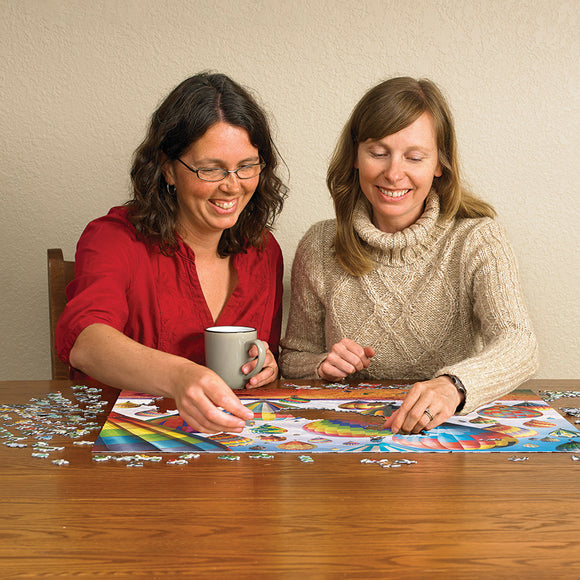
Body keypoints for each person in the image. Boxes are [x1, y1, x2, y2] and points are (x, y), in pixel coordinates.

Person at [280, 76, 538, 435]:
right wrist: (322, 364)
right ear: (356, 155)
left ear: (439, 164)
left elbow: (519, 342)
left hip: (446, 435)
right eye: (378, 153)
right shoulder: (319, 244)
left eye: (414, 157)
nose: (393, 173)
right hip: (350, 437)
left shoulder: (477, 237)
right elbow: (292, 359)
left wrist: (454, 386)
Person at [56, 72, 287, 434]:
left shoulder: (264, 251)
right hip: (125, 456)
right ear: (167, 168)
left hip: (234, 455)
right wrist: (181, 377)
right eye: (209, 169)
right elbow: (86, 341)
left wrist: (267, 365)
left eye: (246, 166)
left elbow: (262, 359)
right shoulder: (113, 239)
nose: (232, 185)